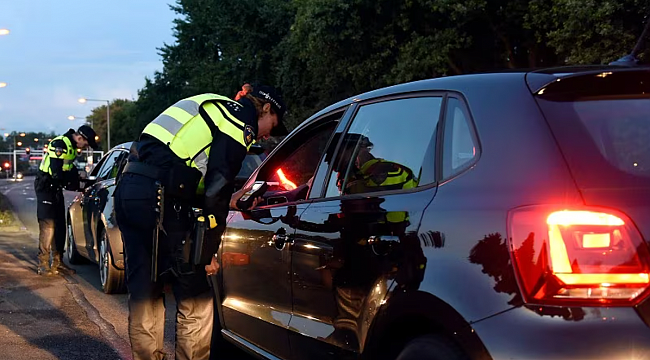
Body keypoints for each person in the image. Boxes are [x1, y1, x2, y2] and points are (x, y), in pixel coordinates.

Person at [114, 85, 287, 360]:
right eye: (271, 126)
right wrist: (207, 251)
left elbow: (177, 166)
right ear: (265, 109)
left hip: (130, 191)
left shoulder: (206, 103)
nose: (266, 135)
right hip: (162, 200)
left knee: (145, 289)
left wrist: (230, 199)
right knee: (196, 293)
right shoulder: (239, 117)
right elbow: (218, 182)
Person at [35, 125, 98, 276]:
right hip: (45, 186)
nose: (86, 147)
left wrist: (79, 178)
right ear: (80, 138)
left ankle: (58, 262)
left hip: (55, 188)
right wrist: (72, 184)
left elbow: (68, 168)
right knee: (48, 224)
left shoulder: (71, 147)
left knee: (60, 225)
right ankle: (43, 264)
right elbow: (57, 172)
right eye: (86, 143)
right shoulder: (60, 144)